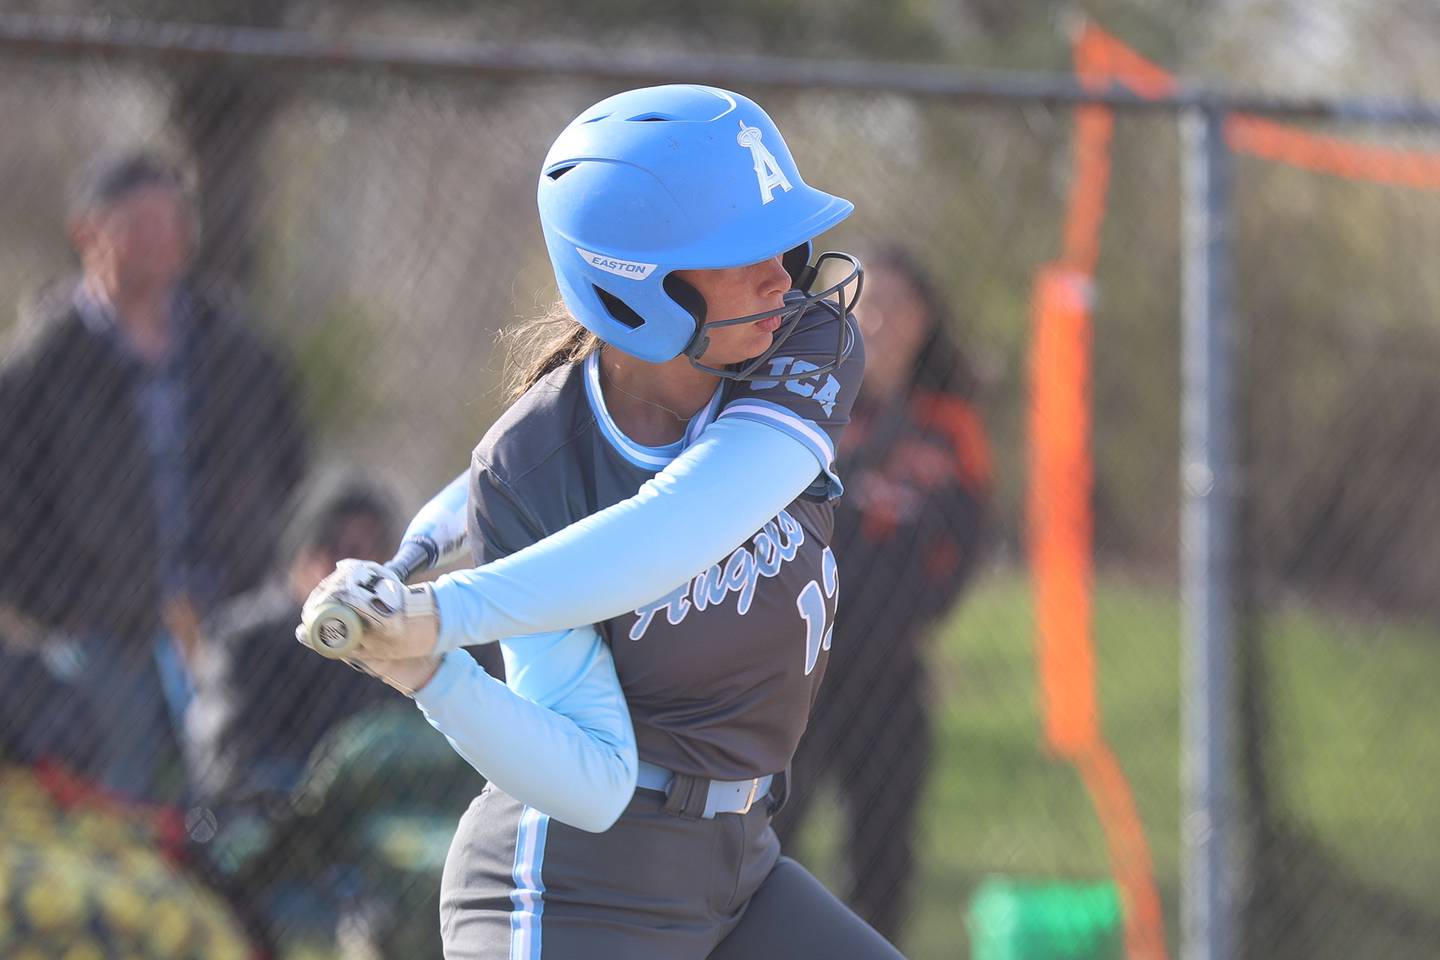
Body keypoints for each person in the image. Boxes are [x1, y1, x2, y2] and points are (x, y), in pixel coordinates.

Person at [296, 84, 907, 959]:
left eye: (782, 240)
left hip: (743, 864)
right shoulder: (529, 474)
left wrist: (446, 609)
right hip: (574, 897)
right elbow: (591, 786)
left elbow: (679, 523)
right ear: (633, 287)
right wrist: (429, 670)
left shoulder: (805, 344)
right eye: (740, 251)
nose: (781, 272)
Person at [0, 150, 308, 803]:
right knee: (115, 802)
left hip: (220, 614)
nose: (161, 242)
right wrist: (60, 605)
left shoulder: (230, 347)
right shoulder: (43, 362)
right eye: (137, 224)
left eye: (172, 222)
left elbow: (286, 460)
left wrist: (246, 559)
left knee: (227, 799)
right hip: (98, 633)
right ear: (87, 233)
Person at [773, 248, 993, 943]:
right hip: (796, 663)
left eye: (899, 303)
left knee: (882, 856)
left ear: (926, 320)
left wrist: (908, 607)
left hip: (891, 669)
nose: (881, 317)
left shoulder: (950, 427)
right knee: (766, 841)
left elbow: (966, 543)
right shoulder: (808, 402)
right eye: (866, 300)